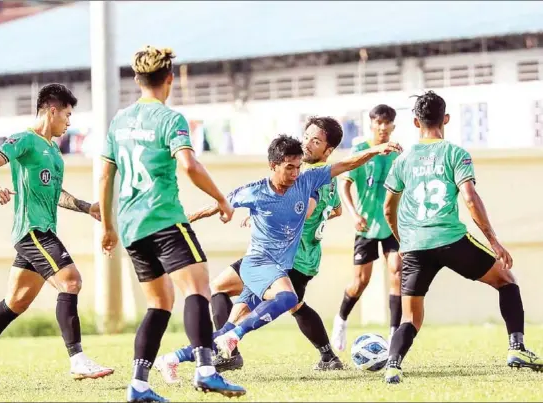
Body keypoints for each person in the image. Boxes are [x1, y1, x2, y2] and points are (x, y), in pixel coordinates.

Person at [98, 46, 245, 403]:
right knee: (198, 290)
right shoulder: (170, 119)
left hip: (132, 227)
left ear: (136, 79)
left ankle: (139, 384)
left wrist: (107, 226)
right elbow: (189, 166)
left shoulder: (119, 121)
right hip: (163, 219)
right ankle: (207, 371)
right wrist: (222, 200)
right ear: (170, 79)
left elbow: (105, 176)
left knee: (160, 303)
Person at [153, 117, 347, 383]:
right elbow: (336, 210)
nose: (307, 143)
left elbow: (306, 210)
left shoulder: (314, 178)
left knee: (269, 310)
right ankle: (326, 356)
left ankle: (193, 355)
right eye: (306, 136)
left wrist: (270, 216)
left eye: (316, 141)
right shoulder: (309, 174)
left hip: (292, 260)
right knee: (236, 297)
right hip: (282, 257)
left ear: (328, 150)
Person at [179, 134, 401, 362]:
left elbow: (347, 165)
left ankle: (184, 356)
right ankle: (226, 350)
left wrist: (375, 150)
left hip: (289, 262)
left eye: (298, 167)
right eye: (289, 168)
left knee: (281, 305)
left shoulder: (309, 181)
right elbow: (221, 203)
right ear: (273, 166)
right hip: (261, 263)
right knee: (261, 299)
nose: (295, 173)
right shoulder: (255, 191)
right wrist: (188, 218)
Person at [0, 84, 113, 393]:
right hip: (32, 231)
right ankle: (78, 359)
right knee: (71, 281)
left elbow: (56, 195)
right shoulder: (26, 140)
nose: (69, 123)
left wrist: (87, 207)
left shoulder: (55, 153)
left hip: (42, 232)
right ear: (51, 110)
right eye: (67, 115)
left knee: (15, 302)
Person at [382, 90, 543, 384]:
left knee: (410, 319)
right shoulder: (455, 153)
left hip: (415, 246)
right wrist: (493, 240)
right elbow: (469, 198)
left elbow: (388, 207)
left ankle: (393, 365)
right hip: (452, 240)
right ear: (446, 119)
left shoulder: (403, 161)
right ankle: (516, 348)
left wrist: (403, 239)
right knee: (507, 281)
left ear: (416, 122)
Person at [331, 104, 402, 351]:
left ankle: (394, 334)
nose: (382, 127)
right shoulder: (360, 150)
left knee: (397, 270)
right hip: (366, 225)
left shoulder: (397, 154)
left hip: (391, 224)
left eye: (387, 123)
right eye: (378, 122)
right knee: (360, 282)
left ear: (393, 125)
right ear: (371, 124)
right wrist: (354, 214)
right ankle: (340, 320)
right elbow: (344, 185)